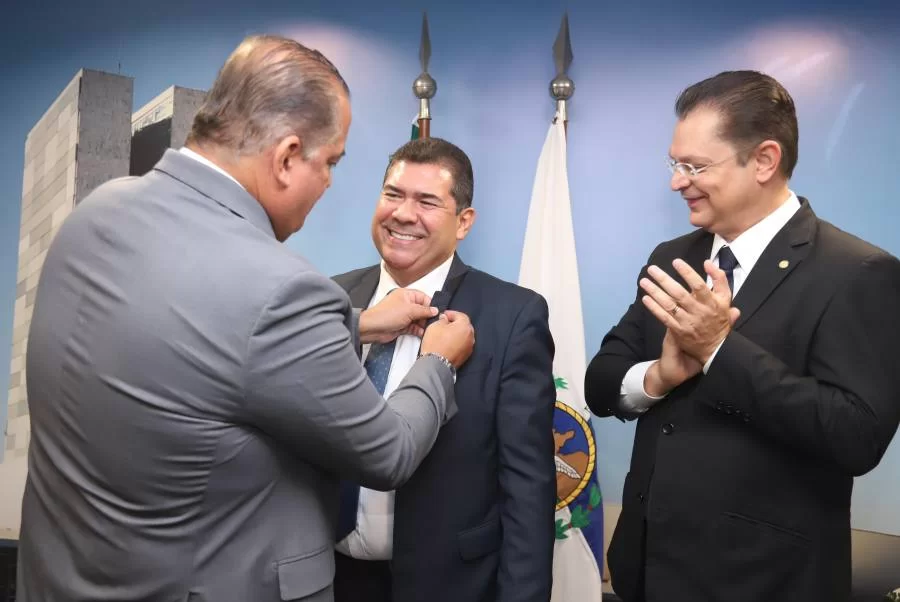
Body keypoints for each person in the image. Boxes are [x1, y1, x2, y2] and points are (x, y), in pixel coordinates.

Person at [17, 35, 474, 602]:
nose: (329, 183)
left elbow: (187, 331)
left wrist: (355, 324)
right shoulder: (280, 290)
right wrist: (436, 360)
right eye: (329, 162)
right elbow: (388, 451)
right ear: (285, 157)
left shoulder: (98, 213)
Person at [585, 70, 900, 602]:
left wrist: (718, 351)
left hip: (765, 581)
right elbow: (602, 381)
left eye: (694, 166)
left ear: (764, 161)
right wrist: (659, 377)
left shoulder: (857, 271)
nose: (676, 181)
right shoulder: (673, 258)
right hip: (646, 571)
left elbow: (856, 436)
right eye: (674, 163)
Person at [331, 137, 556, 602]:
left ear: (464, 222)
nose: (403, 214)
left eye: (427, 201)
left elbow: (527, 489)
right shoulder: (332, 299)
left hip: (449, 585)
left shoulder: (512, 316)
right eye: (393, 195)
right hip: (327, 578)